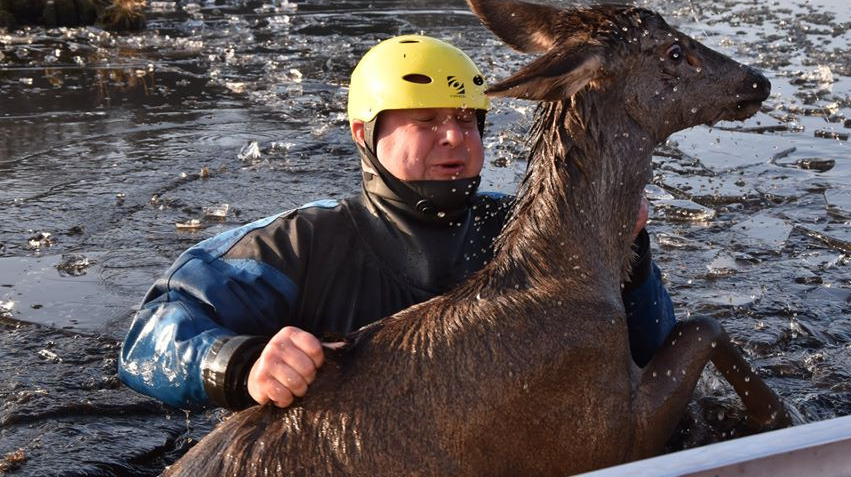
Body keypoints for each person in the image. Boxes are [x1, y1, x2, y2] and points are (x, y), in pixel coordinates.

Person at [117, 34, 676, 410]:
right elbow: (148, 338)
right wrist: (242, 363)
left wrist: (627, 256)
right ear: (364, 134)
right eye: (427, 121)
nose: (455, 137)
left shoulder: (531, 229)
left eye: (467, 121)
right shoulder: (302, 244)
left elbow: (652, 349)